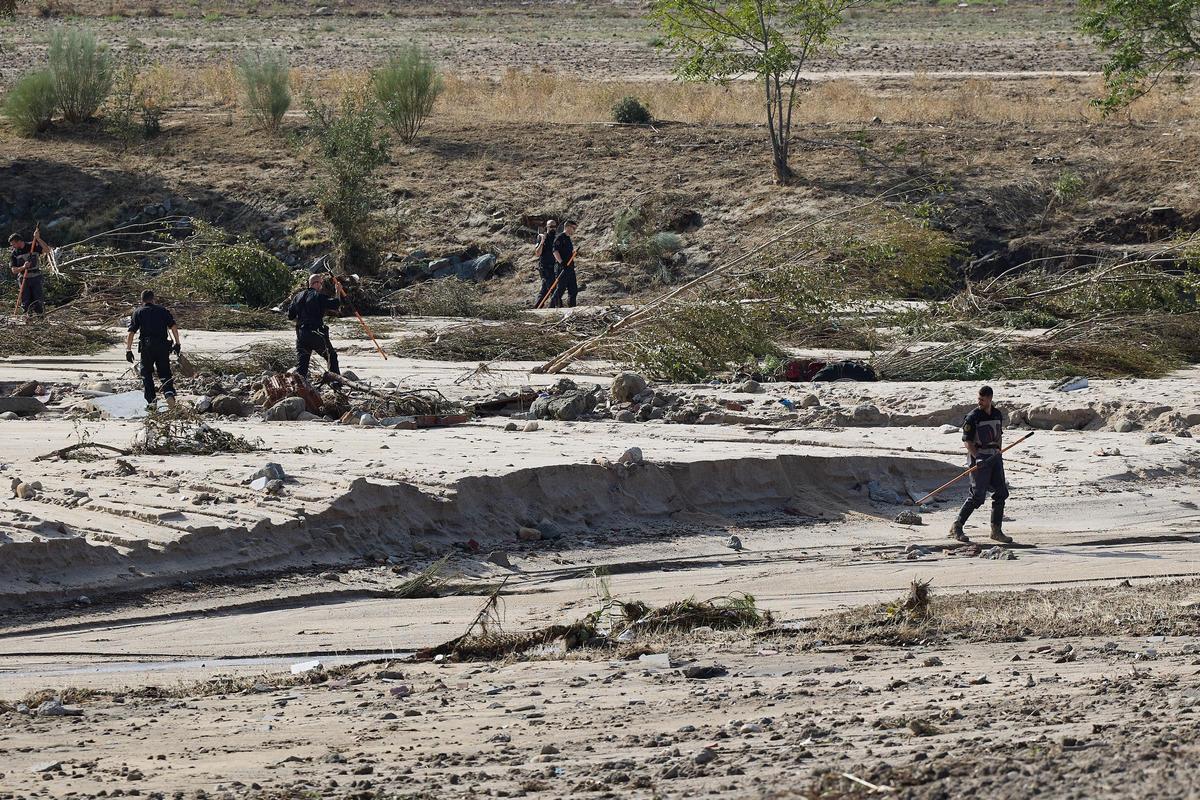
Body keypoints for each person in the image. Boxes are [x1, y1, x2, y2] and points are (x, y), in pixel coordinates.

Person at [950, 385, 1013, 544]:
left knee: (1001, 493)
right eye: (978, 399)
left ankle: (996, 531)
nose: (980, 402)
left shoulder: (997, 414)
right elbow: (967, 441)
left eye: (982, 400)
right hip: (979, 457)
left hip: (995, 457)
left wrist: (999, 450)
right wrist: (977, 457)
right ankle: (957, 526)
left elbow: (998, 435)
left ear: (990, 399)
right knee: (977, 496)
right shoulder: (972, 417)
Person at [125, 289, 181, 411]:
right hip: (162, 346)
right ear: (153, 299)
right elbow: (173, 327)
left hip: (147, 347)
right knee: (165, 372)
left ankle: (152, 402)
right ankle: (169, 393)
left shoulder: (138, 312)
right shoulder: (162, 310)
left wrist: (128, 350)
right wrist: (177, 343)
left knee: (147, 374)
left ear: (142, 300)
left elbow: (131, 332)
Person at [287, 273, 344, 382]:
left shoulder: (297, 297)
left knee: (302, 365)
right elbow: (336, 304)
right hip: (316, 333)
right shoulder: (318, 296)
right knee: (331, 356)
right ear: (318, 284)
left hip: (301, 335)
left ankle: (299, 386)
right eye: (321, 283)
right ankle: (336, 383)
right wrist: (338, 291)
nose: (321, 286)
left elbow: (290, 316)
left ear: (309, 283)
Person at [9, 232, 45, 316]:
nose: (12, 246)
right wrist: (23, 267)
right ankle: (28, 319)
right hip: (23, 279)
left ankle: (40, 319)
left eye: (13, 244)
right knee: (25, 301)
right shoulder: (14, 254)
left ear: (19, 241)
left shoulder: (32, 246)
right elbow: (14, 270)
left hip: (36, 277)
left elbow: (47, 250)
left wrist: (38, 238)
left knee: (38, 300)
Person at [550, 220, 578, 308]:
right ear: (568, 227)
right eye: (573, 228)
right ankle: (552, 307)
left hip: (570, 267)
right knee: (561, 288)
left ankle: (572, 307)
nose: (574, 230)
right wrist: (562, 262)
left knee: (573, 289)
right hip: (562, 267)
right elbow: (555, 251)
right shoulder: (560, 237)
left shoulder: (568, 238)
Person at [533, 219, 558, 307]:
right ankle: (555, 307)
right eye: (551, 227)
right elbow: (537, 253)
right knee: (553, 288)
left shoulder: (556, 238)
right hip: (545, 267)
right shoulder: (541, 237)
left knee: (545, 289)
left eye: (554, 227)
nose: (553, 229)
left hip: (555, 267)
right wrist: (542, 242)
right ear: (547, 227)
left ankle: (537, 306)